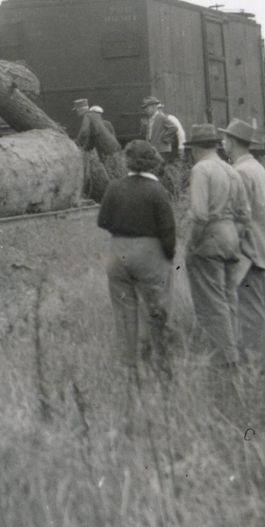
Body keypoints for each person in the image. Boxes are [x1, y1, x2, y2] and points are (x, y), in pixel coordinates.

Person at [96, 138, 178, 374]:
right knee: (156, 308)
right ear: (153, 162)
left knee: (124, 310)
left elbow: (103, 220)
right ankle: (160, 364)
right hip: (150, 252)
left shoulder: (114, 187)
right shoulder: (157, 191)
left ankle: (128, 365)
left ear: (128, 162)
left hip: (118, 252)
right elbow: (168, 229)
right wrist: (168, 256)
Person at [222, 118, 265, 368]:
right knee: (264, 306)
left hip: (249, 251)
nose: (223, 143)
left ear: (233, 142)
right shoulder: (256, 167)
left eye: (225, 139)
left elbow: (240, 217)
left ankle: (258, 366)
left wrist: (229, 248)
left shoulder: (240, 172)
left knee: (250, 309)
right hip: (263, 247)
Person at [182, 124, 244, 368]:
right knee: (229, 297)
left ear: (195, 148)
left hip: (210, 238)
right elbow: (244, 212)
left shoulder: (201, 169)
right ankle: (235, 348)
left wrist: (192, 244)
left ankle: (224, 358)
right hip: (231, 236)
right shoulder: (231, 170)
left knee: (211, 301)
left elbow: (199, 214)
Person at [72, 96, 124, 198]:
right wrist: (86, 148)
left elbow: (84, 132)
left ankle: (116, 197)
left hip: (107, 150)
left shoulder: (87, 116)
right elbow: (94, 135)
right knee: (116, 173)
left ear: (80, 109)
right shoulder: (95, 116)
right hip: (113, 148)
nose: (77, 113)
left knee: (112, 174)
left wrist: (78, 143)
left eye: (77, 110)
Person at [141, 94, 186, 192]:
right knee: (155, 169)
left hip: (162, 149)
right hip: (154, 149)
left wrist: (165, 139)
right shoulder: (150, 119)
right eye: (144, 108)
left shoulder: (161, 117)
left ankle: (164, 190)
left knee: (159, 169)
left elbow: (173, 128)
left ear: (154, 107)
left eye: (147, 108)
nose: (145, 110)